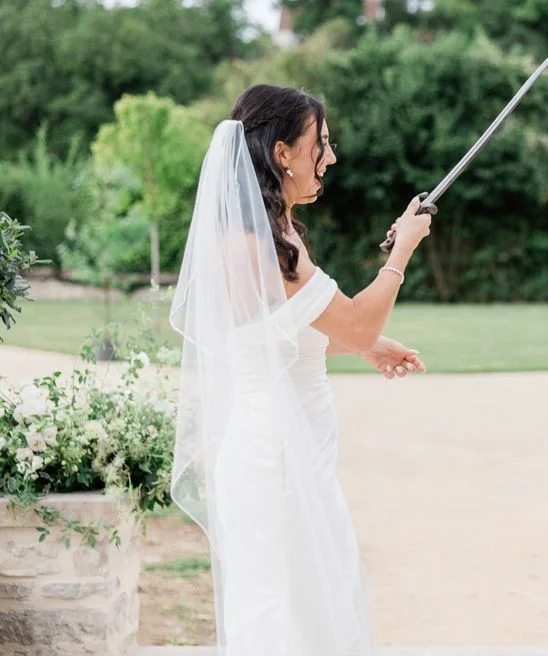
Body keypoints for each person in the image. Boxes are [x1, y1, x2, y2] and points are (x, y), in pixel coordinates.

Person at [169, 84, 433, 655]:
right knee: (289, 603)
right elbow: (355, 321)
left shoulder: (270, 234)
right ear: (283, 153)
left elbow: (272, 336)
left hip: (288, 444)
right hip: (275, 454)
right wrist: (402, 252)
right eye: (322, 144)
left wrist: (365, 347)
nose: (330, 158)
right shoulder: (259, 243)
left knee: (308, 596)